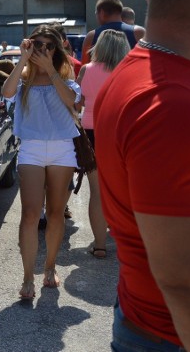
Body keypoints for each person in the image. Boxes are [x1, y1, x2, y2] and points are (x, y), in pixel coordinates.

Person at [94, 0, 190, 352]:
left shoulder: (137, 69)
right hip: (175, 334)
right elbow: (186, 281)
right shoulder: (175, 103)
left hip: (147, 321)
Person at [1, 24, 81, 300]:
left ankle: (49, 267)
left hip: (62, 149)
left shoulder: (67, 79)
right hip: (32, 149)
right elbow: (6, 92)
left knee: (56, 213)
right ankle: (27, 278)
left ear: (57, 50)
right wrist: (23, 59)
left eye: (48, 46)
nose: (42, 50)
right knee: (30, 215)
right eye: (38, 44)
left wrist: (49, 70)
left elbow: (71, 100)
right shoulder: (23, 80)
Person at [75, 29, 130, 259]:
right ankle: (128, 241)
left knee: (97, 192)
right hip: (120, 133)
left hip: (91, 133)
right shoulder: (127, 72)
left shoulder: (86, 70)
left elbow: (77, 104)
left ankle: (99, 245)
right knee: (123, 190)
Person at [81, 0, 145, 61]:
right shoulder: (139, 32)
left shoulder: (91, 36)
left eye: (96, 13)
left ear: (102, 13)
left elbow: (85, 68)